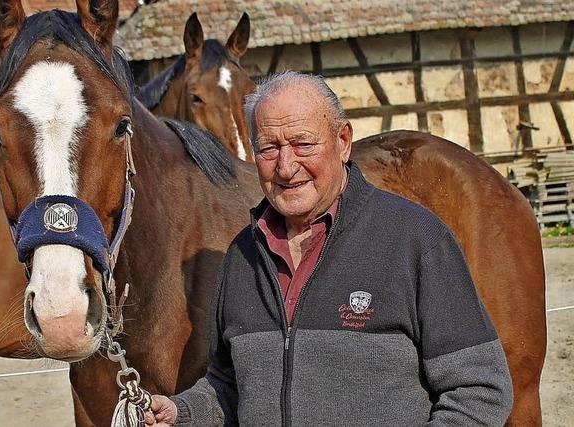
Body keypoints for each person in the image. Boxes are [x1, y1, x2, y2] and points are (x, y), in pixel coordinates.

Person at [147, 71, 513, 426]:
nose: (286, 167)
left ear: (342, 141)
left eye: (303, 143)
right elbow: (231, 387)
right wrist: (182, 412)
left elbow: (479, 390)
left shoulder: (415, 239)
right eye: (269, 148)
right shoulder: (242, 255)